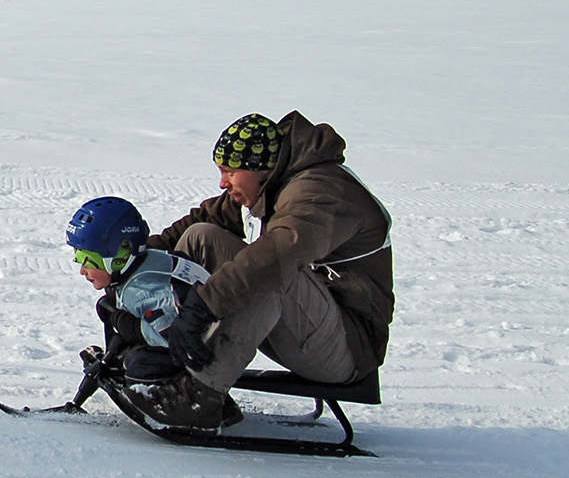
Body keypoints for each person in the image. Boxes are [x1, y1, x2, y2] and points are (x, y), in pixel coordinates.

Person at [120, 111, 395, 430]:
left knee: (267, 273)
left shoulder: (320, 194)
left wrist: (203, 306)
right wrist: (130, 263)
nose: (223, 182)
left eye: (229, 172)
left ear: (260, 168)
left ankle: (200, 394)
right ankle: (166, 360)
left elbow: (274, 259)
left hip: (345, 349)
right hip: (308, 325)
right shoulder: (275, 182)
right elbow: (205, 219)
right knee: (201, 237)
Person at [66, 195, 244, 428]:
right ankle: (119, 360)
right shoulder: (143, 264)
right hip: (196, 336)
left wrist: (133, 328)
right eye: (78, 257)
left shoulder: (143, 290)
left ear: (119, 256)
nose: (82, 270)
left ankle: (193, 403)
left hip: (201, 352)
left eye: (88, 259)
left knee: (138, 364)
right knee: (109, 308)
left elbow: (173, 339)